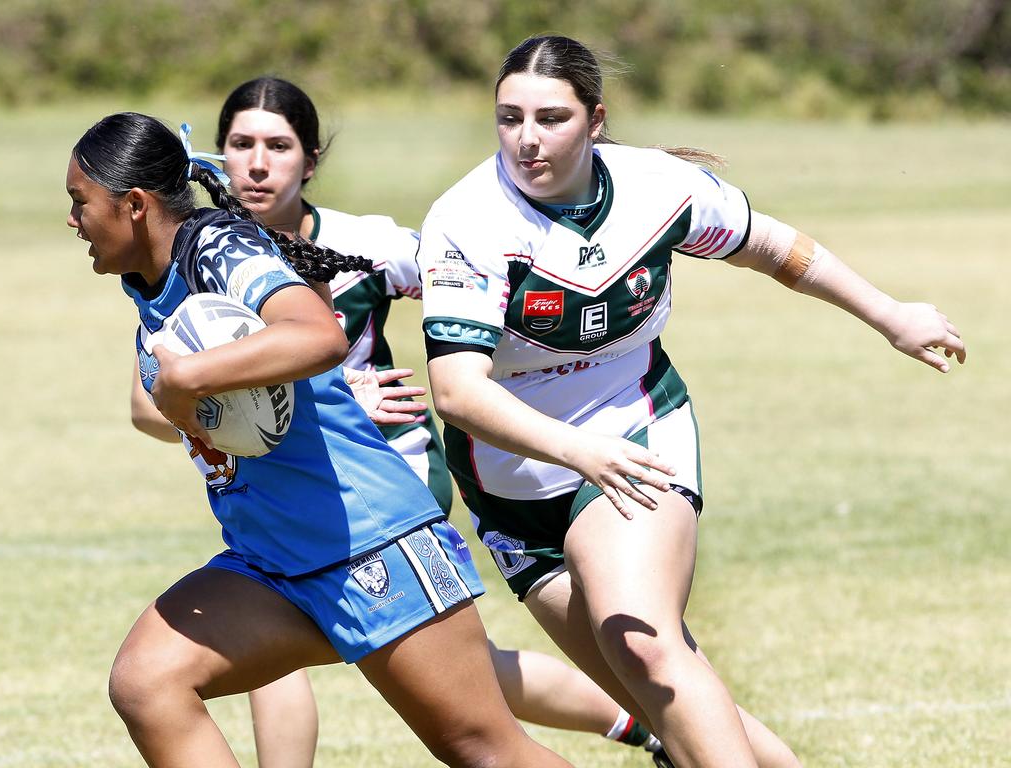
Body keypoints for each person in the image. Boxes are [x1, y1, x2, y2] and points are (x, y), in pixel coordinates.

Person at [416, 35, 967, 768]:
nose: (526, 139)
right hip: (513, 484)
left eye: (550, 118)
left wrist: (889, 314)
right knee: (660, 685)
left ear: (596, 119)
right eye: (509, 118)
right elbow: (455, 391)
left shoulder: (655, 188)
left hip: (637, 429)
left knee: (640, 639)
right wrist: (576, 450)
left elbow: (774, 247)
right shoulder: (469, 219)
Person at [129, 76, 668, 768]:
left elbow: (477, 289)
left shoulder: (357, 244)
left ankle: (646, 721)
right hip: (285, 507)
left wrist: (552, 355)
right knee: (446, 683)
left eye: (278, 145)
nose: (258, 163)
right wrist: (207, 392)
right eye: (240, 144)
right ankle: (644, 722)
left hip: (385, 488)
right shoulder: (186, 261)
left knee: (467, 704)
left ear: (311, 160)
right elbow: (150, 404)